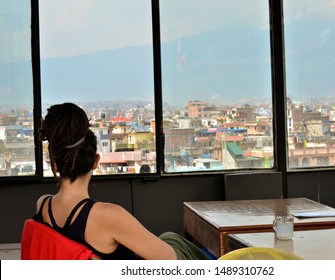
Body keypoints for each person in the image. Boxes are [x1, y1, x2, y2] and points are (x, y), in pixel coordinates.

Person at [33, 102, 208, 260]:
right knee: (172, 240)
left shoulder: (43, 206)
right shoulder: (108, 216)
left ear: (54, 164)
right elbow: (169, 260)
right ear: (95, 161)